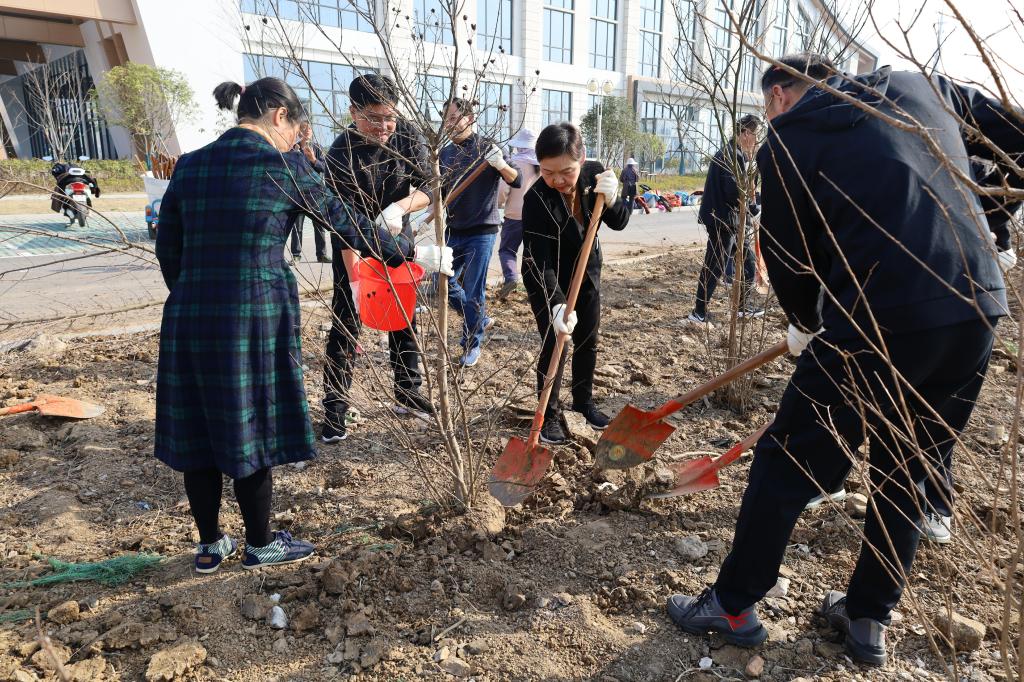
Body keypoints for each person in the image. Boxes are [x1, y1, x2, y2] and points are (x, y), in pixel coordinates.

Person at [666, 53, 1019, 667]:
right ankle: (867, 619)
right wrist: (995, 222)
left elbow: (788, 257)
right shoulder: (923, 86)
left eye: (769, 107)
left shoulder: (788, 142)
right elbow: (1014, 133)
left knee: (785, 462)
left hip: (877, 322)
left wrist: (806, 322)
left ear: (778, 97)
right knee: (908, 466)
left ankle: (733, 603)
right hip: (975, 308)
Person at [154, 76, 451, 573]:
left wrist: (193, 293)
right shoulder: (283, 167)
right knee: (251, 424)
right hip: (256, 313)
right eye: (295, 128)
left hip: (190, 313)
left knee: (200, 424)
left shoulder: (190, 164)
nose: (296, 138)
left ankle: (210, 545)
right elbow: (350, 226)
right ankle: (259, 545)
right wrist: (412, 253)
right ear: (278, 116)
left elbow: (169, 251)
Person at [321, 74, 437, 442]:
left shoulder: (406, 135)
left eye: (389, 117)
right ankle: (335, 406)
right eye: (373, 118)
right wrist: (356, 280)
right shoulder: (340, 154)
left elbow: (431, 187)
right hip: (354, 241)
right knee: (346, 319)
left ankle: (407, 390)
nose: (384, 127)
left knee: (403, 314)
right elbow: (341, 224)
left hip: (397, 238)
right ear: (353, 112)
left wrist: (400, 207)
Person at [521, 123, 630, 444]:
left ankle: (583, 403)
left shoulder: (595, 176)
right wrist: (555, 303)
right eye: (547, 172)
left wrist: (613, 198)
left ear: (581, 159)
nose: (557, 180)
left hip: (587, 270)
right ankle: (549, 415)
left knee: (587, 339)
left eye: (566, 171)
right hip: (548, 279)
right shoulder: (536, 199)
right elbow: (537, 259)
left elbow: (620, 222)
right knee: (556, 343)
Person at [439, 97, 522, 366]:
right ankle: (478, 319)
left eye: (454, 118)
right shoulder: (444, 154)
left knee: (474, 290)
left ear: (470, 118)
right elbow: (439, 192)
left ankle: (471, 345)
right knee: (441, 281)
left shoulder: (487, 147)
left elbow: (516, 179)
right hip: (453, 229)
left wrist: (500, 164)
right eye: (445, 120)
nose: (449, 124)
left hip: (482, 231)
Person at [686, 114, 764, 324]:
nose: (757, 140)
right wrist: (753, 209)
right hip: (723, 221)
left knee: (748, 261)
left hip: (733, 221)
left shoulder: (737, 154)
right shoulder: (730, 155)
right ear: (745, 133)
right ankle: (699, 312)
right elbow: (733, 192)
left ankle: (742, 307)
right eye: (755, 135)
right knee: (714, 266)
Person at [496, 127, 540, 301]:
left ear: (519, 146)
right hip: (536, 217)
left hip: (514, 215)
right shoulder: (542, 165)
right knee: (533, 255)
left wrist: (499, 204)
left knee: (507, 250)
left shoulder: (513, 163)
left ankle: (511, 277)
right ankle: (535, 290)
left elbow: (502, 190)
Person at [287, 121, 330, 264]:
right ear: (299, 131)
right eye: (304, 128)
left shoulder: (317, 148)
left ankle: (322, 254)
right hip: (298, 193)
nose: (308, 130)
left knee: (319, 225)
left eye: (310, 128)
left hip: (315, 192)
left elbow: (324, 168)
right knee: (297, 226)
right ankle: (296, 255)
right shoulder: (293, 148)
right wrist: (296, 155)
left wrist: (313, 159)